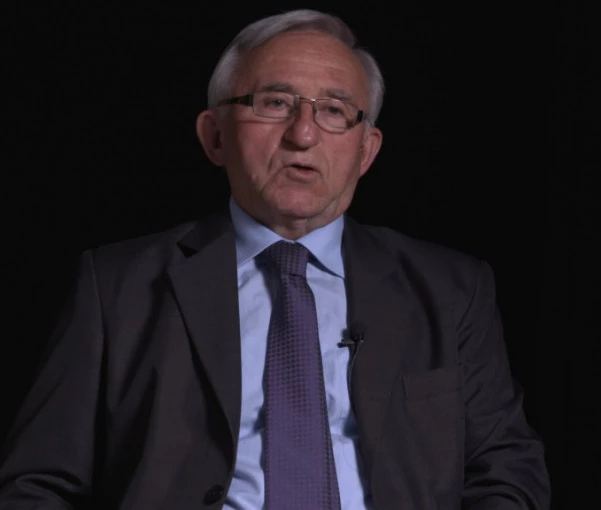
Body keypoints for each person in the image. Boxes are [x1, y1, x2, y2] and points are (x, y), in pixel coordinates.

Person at [0, 8, 550, 510]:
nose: (303, 134)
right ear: (214, 136)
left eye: (334, 111)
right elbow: (39, 484)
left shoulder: (452, 290)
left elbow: (506, 472)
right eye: (275, 103)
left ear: (366, 151)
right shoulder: (117, 286)